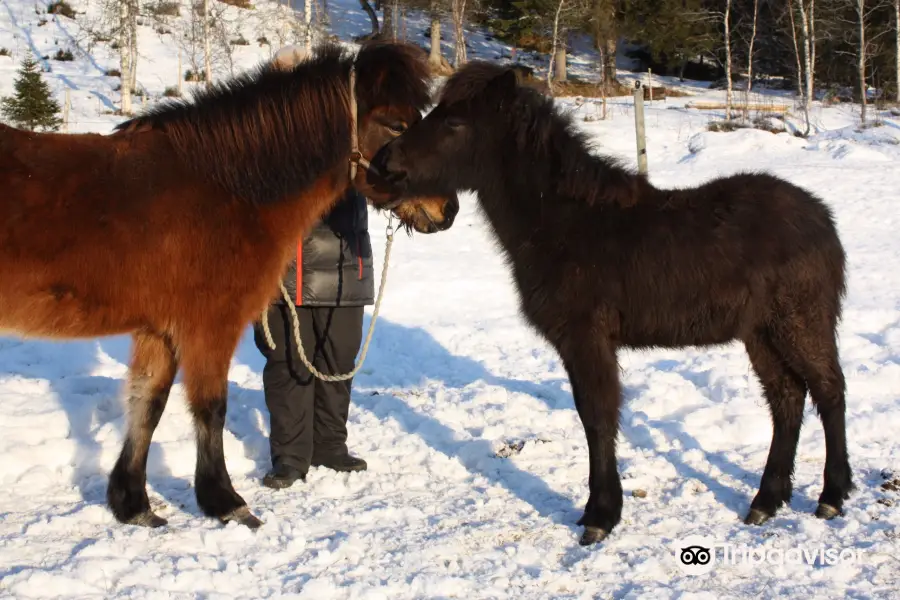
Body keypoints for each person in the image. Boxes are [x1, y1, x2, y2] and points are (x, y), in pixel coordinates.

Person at [253, 188, 374, 489]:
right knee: (287, 362)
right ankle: (290, 456)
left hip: (343, 261)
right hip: (279, 265)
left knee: (339, 357)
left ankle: (329, 445)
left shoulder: (355, 140)